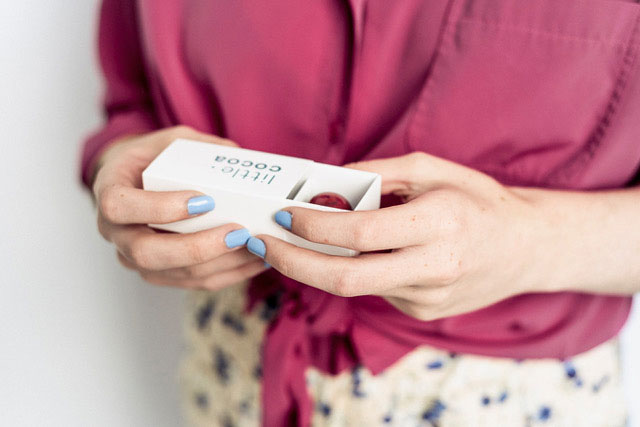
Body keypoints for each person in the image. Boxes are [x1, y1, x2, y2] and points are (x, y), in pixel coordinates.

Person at [81, 0, 640, 425]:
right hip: (230, 371)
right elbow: (131, 102)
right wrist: (129, 175)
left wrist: (528, 242)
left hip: (511, 396)